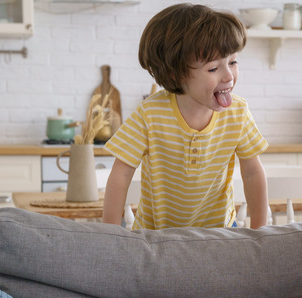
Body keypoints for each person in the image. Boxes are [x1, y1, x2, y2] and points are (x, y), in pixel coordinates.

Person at [102, 3, 268, 230]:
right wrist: (109, 232)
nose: (229, 75)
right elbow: (120, 175)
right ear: (175, 73)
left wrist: (260, 232)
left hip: (219, 235)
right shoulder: (149, 115)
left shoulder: (237, 113)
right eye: (213, 69)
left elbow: (252, 172)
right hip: (156, 239)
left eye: (233, 62)